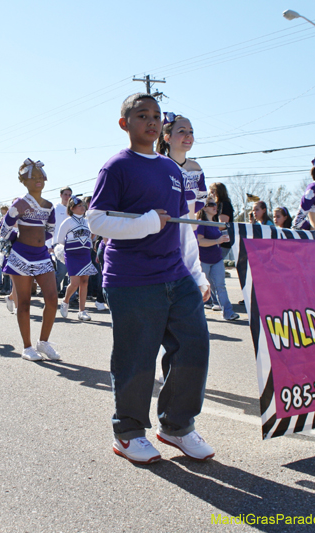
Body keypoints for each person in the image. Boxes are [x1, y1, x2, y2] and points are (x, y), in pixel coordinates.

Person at [88, 93, 214, 465]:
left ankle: (176, 426)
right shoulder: (117, 167)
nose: (151, 121)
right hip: (131, 279)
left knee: (194, 347)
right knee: (136, 358)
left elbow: (180, 229)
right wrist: (144, 223)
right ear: (124, 123)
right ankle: (128, 434)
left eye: (156, 115)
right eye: (141, 115)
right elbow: (96, 221)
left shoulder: (172, 171)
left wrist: (197, 274)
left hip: (176, 275)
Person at [0, 158, 61, 361]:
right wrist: (5, 247)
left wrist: (41, 243)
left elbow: (50, 230)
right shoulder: (20, 204)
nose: (38, 180)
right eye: (34, 177)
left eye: (41, 177)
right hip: (20, 255)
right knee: (24, 302)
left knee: (52, 299)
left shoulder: (49, 206)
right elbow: (5, 228)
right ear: (24, 181)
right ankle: (27, 347)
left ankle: (44, 342)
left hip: (41, 256)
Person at [55, 195, 97, 321]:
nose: (82, 207)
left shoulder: (87, 221)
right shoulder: (67, 222)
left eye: (83, 205)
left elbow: (92, 237)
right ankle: (65, 301)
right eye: (79, 206)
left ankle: (82, 311)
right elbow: (60, 240)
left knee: (84, 282)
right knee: (74, 282)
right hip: (72, 254)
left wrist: (93, 234)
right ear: (72, 208)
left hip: (85, 254)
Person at [157, 112, 207, 214]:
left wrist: (188, 215)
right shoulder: (159, 166)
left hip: (191, 226)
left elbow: (202, 199)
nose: (188, 135)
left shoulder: (196, 168)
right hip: (167, 224)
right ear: (167, 138)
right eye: (181, 131)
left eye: (191, 132)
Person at [196, 202, 239, 321]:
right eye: (211, 204)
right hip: (203, 260)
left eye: (216, 205)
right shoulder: (200, 223)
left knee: (221, 286)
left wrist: (222, 239)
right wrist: (217, 240)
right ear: (204, 207)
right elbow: (200, 241)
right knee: (201, 288)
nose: (215, 207)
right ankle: (197, 315)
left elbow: (218, 240)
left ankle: (228, 313)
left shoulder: (215, 224)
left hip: (217, 259)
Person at [50, 186, 72, 296]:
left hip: (72, 243)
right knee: (62, 271)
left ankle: (71, 297)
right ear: (60, 195)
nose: (67, 197)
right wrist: (49, 244)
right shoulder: (55, 208)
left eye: (69, 195)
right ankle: (50, 291)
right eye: (65, 194)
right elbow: (50, 227)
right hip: (58, 244)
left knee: (72, 272)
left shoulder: (72, 209)